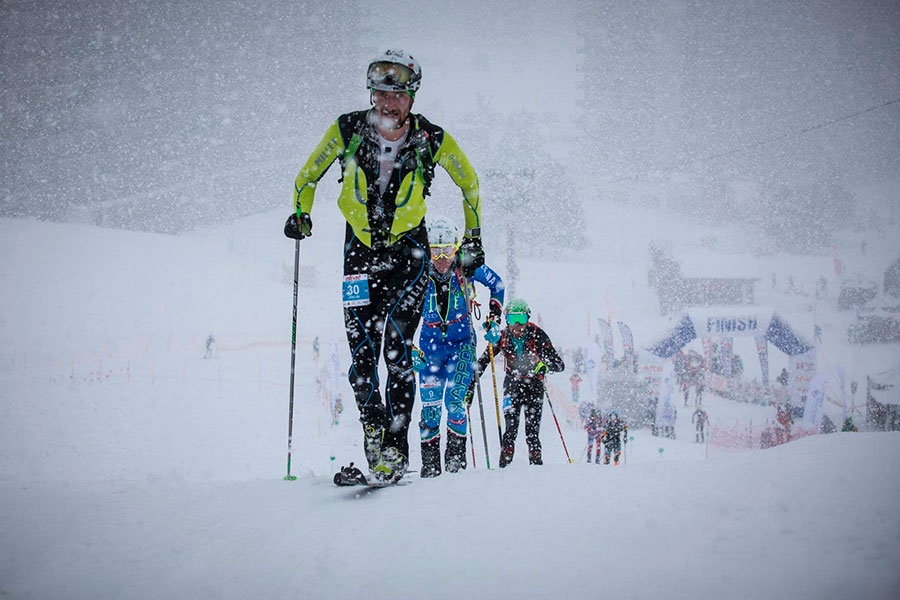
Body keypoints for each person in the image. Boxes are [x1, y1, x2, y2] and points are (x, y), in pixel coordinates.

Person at [285, 49, 485, 484]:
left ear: (412, 97)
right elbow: (307, 176)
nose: (387, 103)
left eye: (397, 95)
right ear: (371, 93)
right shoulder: (348, 130)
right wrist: (302, 213)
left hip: (408, 256)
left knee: (396, 348)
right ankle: (375, 439)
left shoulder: (433, 139)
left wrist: (473, 240)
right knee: (361, 359)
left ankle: (395, 451)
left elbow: (470, 185)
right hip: (358, 254)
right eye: (380, 93)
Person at [414, 218, 504, 478]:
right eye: (435, 251)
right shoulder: (419, 270)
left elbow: (497, 285)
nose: (441, 258)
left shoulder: (467, 266)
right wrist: (406, 344)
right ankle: (430, 469)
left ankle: (455, 466)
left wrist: (494, 319)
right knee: (430, 410)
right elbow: (399, 306)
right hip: (429, 347)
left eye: (447, 251)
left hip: (461, 345)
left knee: (454, 403)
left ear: (456, 249)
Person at [474, 298, 565, 467]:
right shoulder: (502, 336)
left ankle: (536, 464)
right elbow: (485, 360)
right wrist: (472, 379)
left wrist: (543, 364)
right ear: (506, 320)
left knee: (532, 431)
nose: (517, 325)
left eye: (522, 319)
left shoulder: (537, 335)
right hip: (512, 385)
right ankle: (505, 465)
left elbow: (559, 365)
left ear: (528, 318)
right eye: (511, 320)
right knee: (510, 429)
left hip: (534, 386)